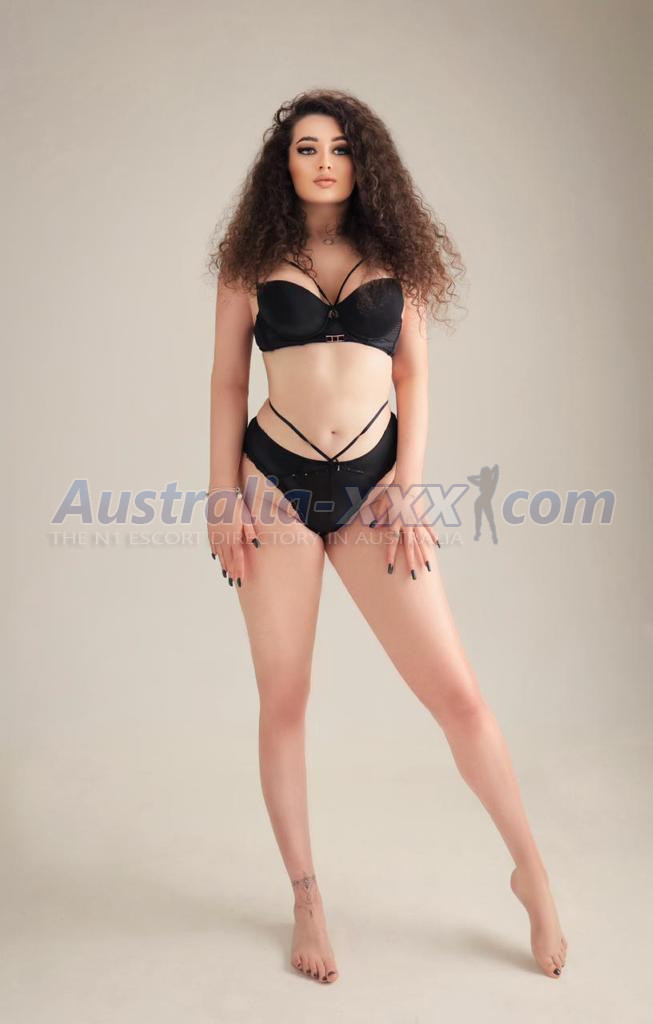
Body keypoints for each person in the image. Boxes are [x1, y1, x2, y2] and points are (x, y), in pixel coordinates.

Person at [206, 89, 567, 985]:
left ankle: (530, 870)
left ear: (363, 162)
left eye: (338, 147)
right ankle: (306, 897)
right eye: (305, 148)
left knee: (459, 698)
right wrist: (221, 498)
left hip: (374, 489)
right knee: (285, 698)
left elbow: (412, 376)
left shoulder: (397, 257)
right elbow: (226, 384)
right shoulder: (249, 263)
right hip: (274, 486)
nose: (323, 161)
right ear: (283, 165)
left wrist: (407, 487)